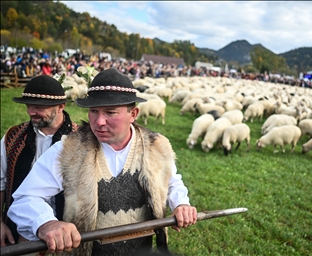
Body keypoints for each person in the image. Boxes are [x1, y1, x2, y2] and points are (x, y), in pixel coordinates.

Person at [8, 68, 197, 255]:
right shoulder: (69, 150)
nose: (99, 122)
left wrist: (181, 204)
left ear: (133, 114)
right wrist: (46, 223)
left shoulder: (157, 147)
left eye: (110, 112)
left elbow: (171, 181)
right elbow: (26, 197)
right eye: (93, 111)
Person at [0, 75, 79, 247]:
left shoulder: (80, 141)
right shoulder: (13, 137)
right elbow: (0, 183)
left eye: (38, 107)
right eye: (28, 105)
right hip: (19, 234)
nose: (30, 112)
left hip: (67, 239)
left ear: (61, 107)